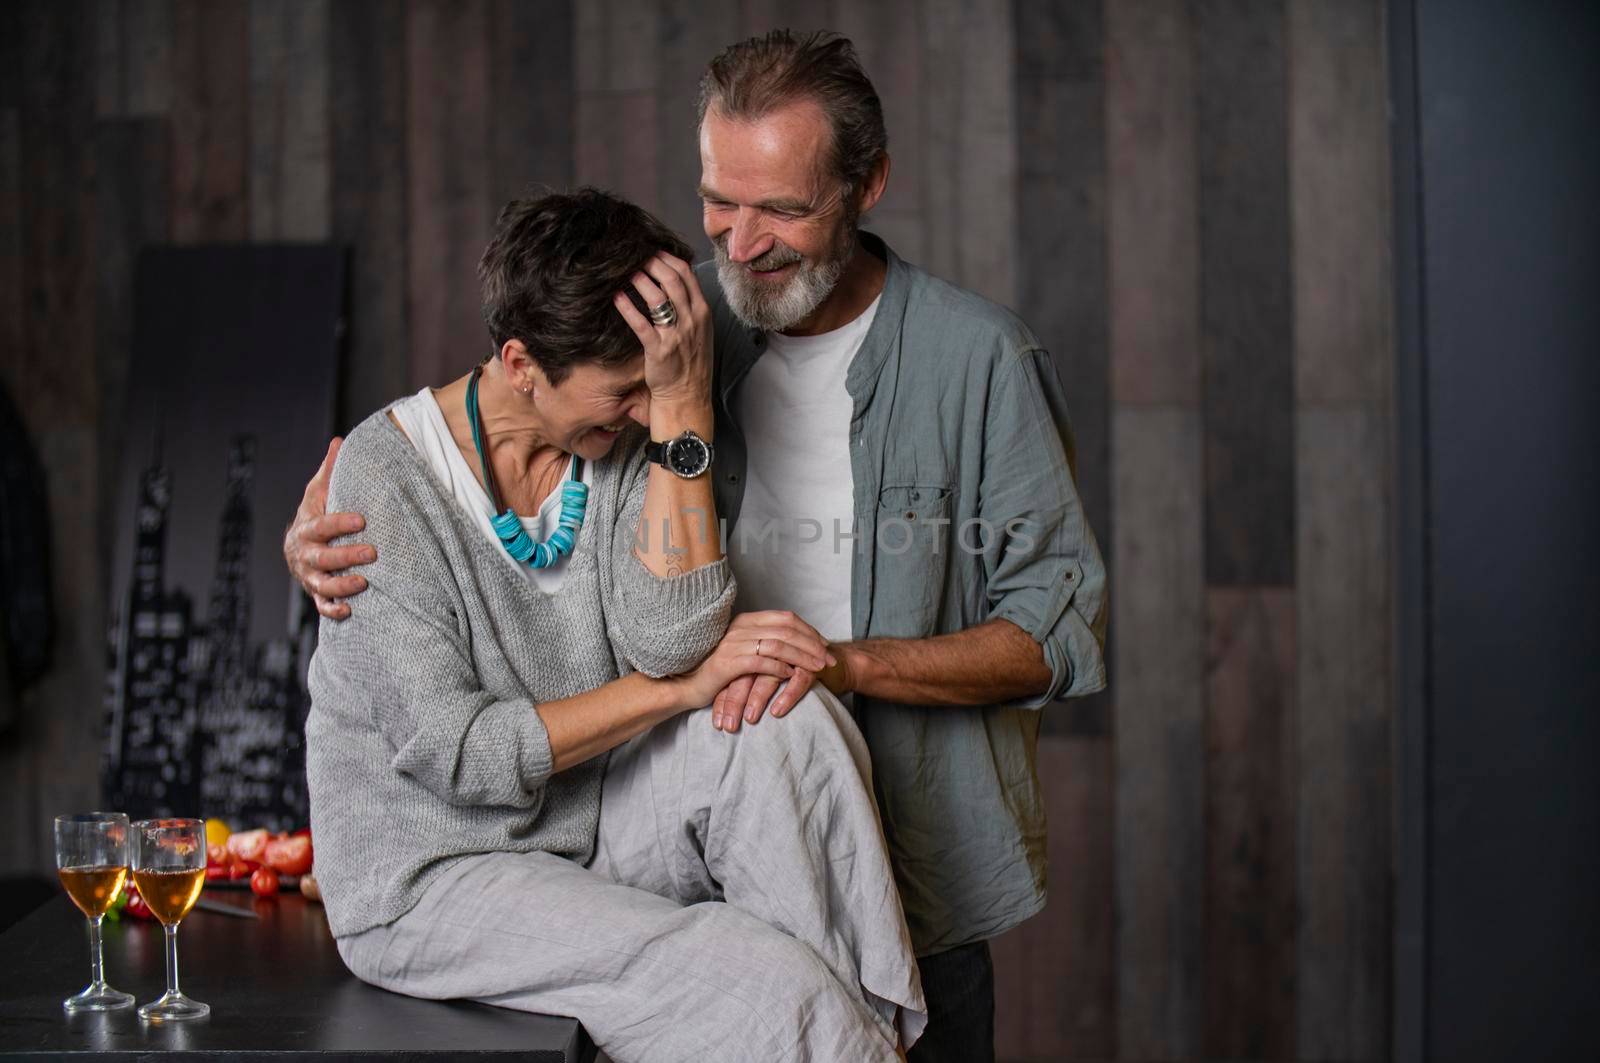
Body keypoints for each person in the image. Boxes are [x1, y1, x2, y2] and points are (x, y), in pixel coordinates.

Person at [288, 32, 1106, 1063]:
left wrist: (839, 660)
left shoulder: (972, 358)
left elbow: (1055, 631)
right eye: (721, 201)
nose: (745, 242)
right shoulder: (667, 333)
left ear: (869, 186)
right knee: (770, 878)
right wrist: (324, 546)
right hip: (648, 802)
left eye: (784, 209)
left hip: (895, 838)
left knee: (785, 715)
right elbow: (493, 447)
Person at [302, 187, 925, 1063]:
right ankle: (837, 1039)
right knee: (750, 975)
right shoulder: (384, 479)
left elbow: (671, 635)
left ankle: (856, 1043)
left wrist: (682, 409)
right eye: (626, 390)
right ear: (520, 363)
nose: (639, 408)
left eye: (654, 383)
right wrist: (681, 687)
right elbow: (464, 753)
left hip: (589, 816)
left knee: (787, 720)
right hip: (434, 873)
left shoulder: (631, 436)